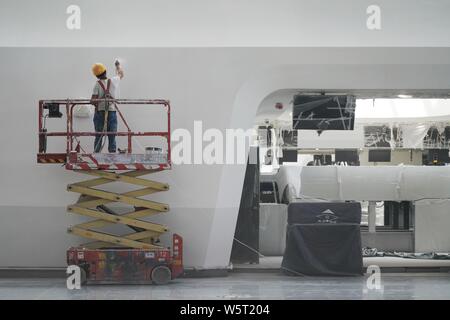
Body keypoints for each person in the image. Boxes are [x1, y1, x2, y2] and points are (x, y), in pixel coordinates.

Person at [91, 61, 124, 153]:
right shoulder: (113, 81)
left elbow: (93, 101)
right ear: (105, 71)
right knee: (112, 136)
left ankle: (96, 156)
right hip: (111, 112)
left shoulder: (97, 85)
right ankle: (112, 157)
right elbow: (121, 74)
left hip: (100, 113)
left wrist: (101, 98)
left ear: (96, 76)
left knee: (98, 136)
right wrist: (117, 66)